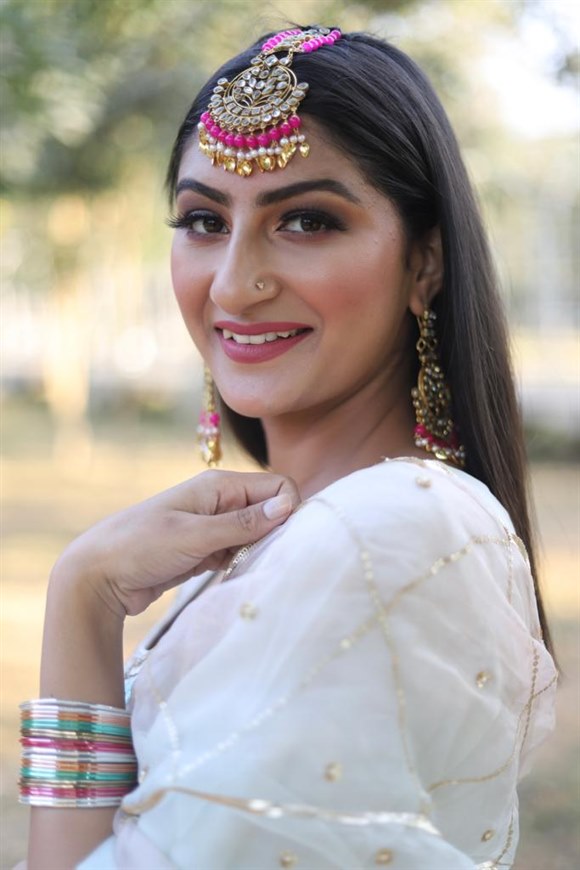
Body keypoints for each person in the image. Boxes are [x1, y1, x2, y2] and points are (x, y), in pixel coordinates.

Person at [22, 26, 557, 870]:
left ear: (425, 263)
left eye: (306, 220)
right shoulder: (307, 538)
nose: (234, 284)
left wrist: (81, 601)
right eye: (204, 220)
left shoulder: (391, 534)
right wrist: (84, 592)